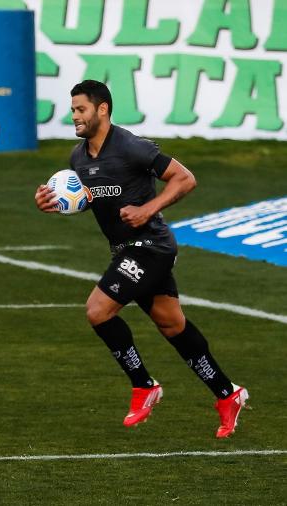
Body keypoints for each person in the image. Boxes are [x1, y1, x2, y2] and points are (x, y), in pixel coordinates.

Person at [34, 80, 248, 438]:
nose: (75, 116)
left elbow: (185, 178)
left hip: (151, 246)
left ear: (102, 109)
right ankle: (228, 394)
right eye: (72, 109)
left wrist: (148, 208)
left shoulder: (132, 147)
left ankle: (144, 386)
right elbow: (89, 198)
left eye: (81, 109)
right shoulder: (78, 157)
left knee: (98, 310)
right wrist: (55, 205)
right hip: (126, 251)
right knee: (172, 325)